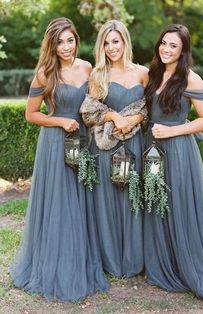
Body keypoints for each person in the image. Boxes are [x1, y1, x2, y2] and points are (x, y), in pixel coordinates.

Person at [10, 17, 108, 301]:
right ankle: (55, 260)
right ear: (51, 45)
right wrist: (60, 122)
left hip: (83, 143)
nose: (66, 47)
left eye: (70, 40)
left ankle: (79, 256)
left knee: (80, 199)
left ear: (77, 40)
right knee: (60, 201)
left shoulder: (87, 67)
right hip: (56, 143)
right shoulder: (44, 73)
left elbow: (93, 105)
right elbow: (31, 114)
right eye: (60, 42)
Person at [144, 24, 203, 303]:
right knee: (157, 205)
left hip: (179, 150)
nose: (167, 49)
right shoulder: (153, 74)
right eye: (164, 43)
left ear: (183, 51)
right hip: (153, 149)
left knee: (179, 206)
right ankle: (162, 262)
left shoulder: (191, 79)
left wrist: (170, 131)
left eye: (174, 46)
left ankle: (188, 267)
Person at [80, 20, 149, 277]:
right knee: (108, 200)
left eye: (115, 41)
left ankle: (134, 259)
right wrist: (113, 117)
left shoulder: (143, 72)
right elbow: (89, 112)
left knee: (132, 197)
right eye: (106, 43)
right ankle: (109, 258)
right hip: (106, 147)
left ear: (125, 41)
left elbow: (150, 108)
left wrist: (134, 119)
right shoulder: (98, 75)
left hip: (134, 144)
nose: (111, 48)